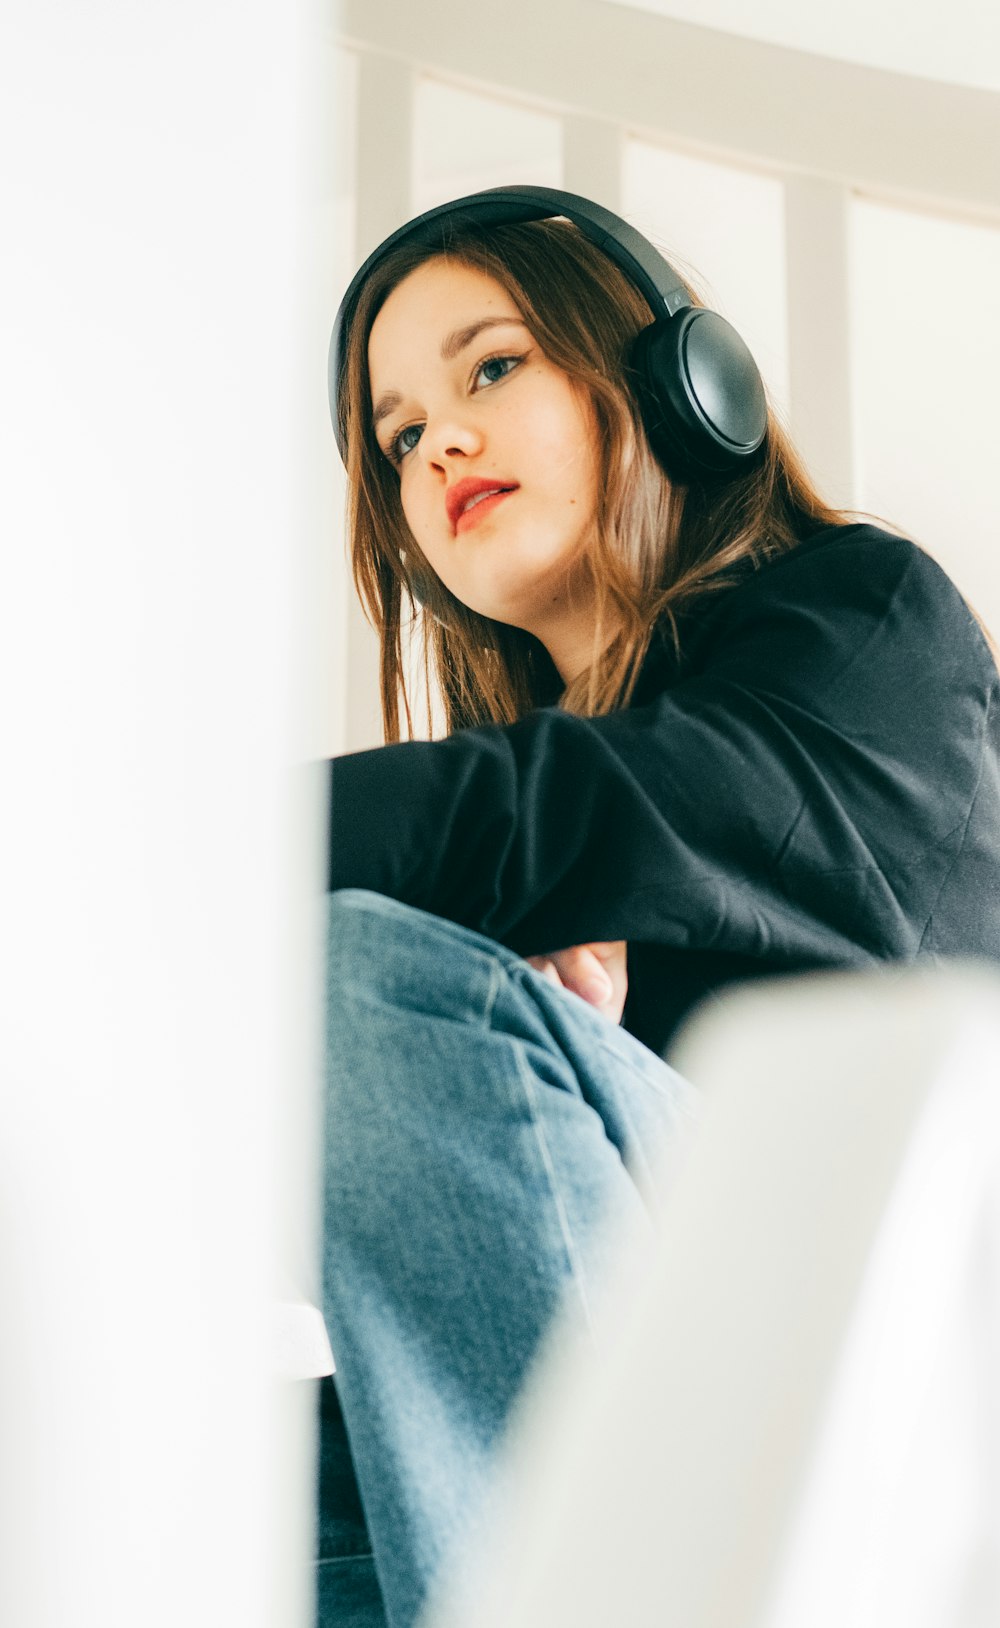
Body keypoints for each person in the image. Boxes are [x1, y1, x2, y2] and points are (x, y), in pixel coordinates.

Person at [316, 188, 1000, 1628]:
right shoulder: (515, 877)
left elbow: (580, 807)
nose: (436, 439)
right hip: (630, 1420)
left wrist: (149, 864)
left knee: (351, 965)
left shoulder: (861, 621)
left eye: (491, 366)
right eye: (395, 435)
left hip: (879, 1397)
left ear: (685, 387)